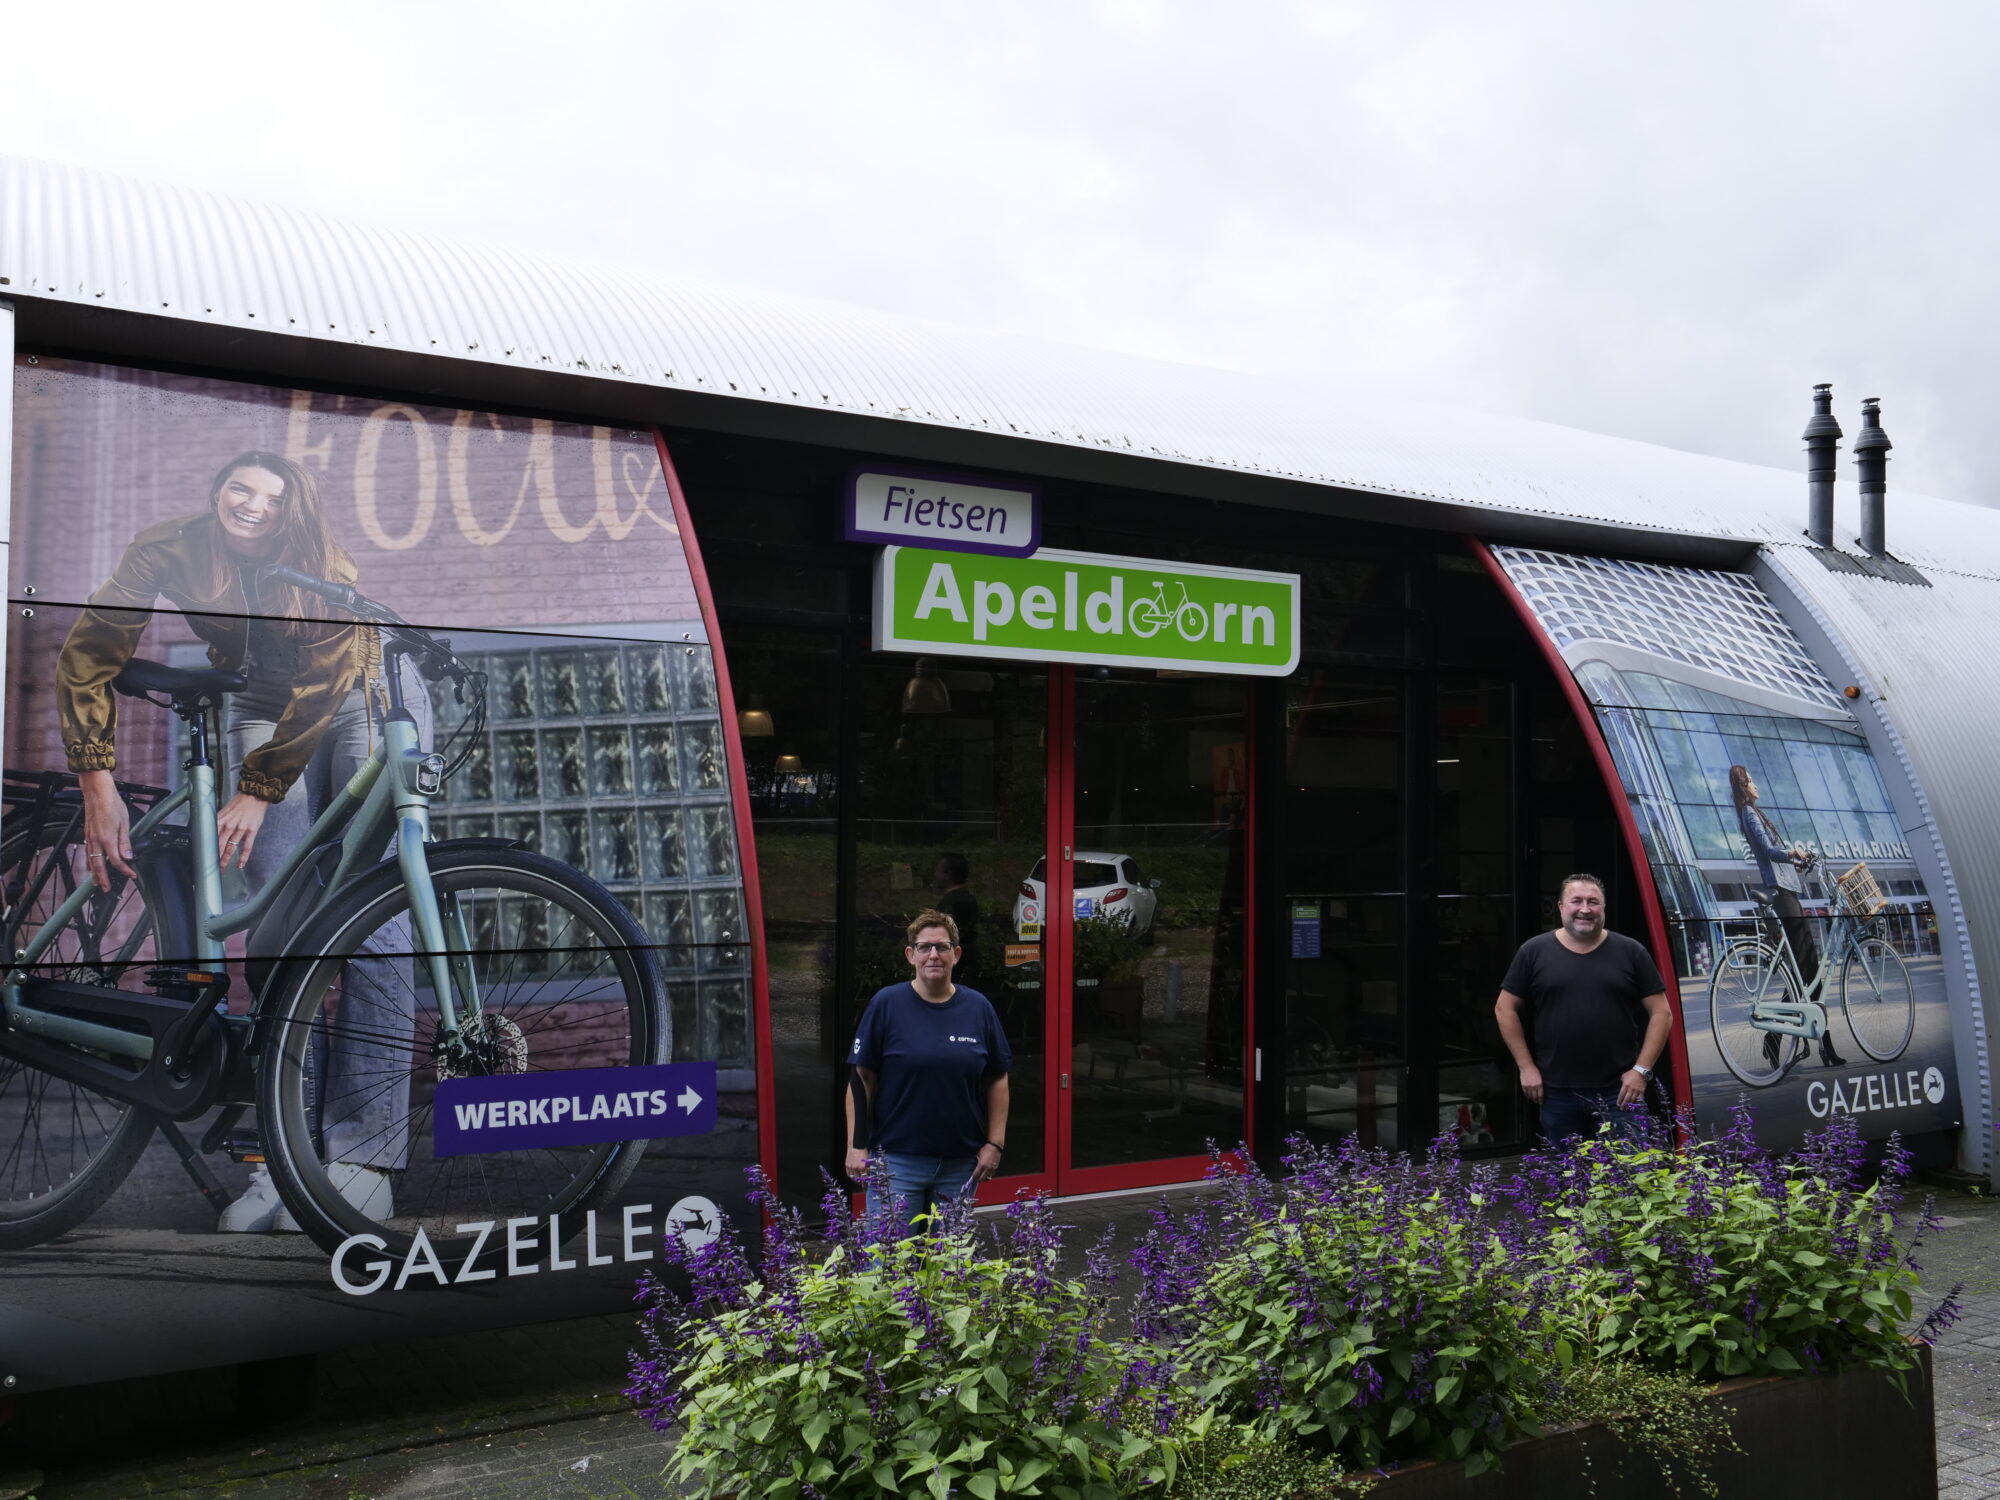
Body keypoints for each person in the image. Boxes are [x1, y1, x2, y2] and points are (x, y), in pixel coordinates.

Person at [57, 450, 428, 1232]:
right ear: (217, 490)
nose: (252, 505)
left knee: (374, 908)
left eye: (271, 495)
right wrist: (99, 784)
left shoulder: (320, 557)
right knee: (275, 915)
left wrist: (256, 792)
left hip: (363, 693)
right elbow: (89, 656)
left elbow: (326, 683)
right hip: (261, 702)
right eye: (239, 487)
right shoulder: (170, 545)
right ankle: (284, 1150)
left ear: (293, 509)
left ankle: (362, 1155)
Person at [844, 909, 1010, 1232]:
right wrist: (855, 1145)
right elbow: (860, 1078)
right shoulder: (886, 1005)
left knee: (949, 1270)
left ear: (956, 954)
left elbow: (997, 1078)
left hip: (960, 1165)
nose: (934, 954)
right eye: (924, 947)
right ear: (911, 955)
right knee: (889, 1267)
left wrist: (995, 1143)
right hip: (896, 1163)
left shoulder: (979, 1009)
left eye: (942, 947)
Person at [1494, 874, 1673, 1145]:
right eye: (1576, 900)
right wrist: (1526, 1067)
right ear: (1561, 906)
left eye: (1593, 902)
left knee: (1629, 1179)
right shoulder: (1533, 952)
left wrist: (1641, 1071)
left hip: (1621, 1092)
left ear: (1604, 908)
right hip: (1556, 1093)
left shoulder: (1631, 952)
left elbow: (1662, 1013)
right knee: (1567, 1180)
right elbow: (1504, 1008)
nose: (1585, 909)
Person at [1730, 764, 1843, 1068]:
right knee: (1806, 969)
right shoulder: (1749, 815)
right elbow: (1768, 851)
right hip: (1780, 894)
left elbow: (1776, 857)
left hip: (1788, 892)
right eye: (1751, 781)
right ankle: (1797, 1042)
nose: (1756, 785)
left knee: (1806, 973)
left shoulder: (1756, 814)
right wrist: (1794, 853)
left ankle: (1810, 1045)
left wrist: (1796, 864)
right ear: (1743, 786)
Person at [933, 853, 981, 989]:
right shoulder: (967, 898)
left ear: (948, 874)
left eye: (939, 871)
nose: (936, 875)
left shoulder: (953, 902)